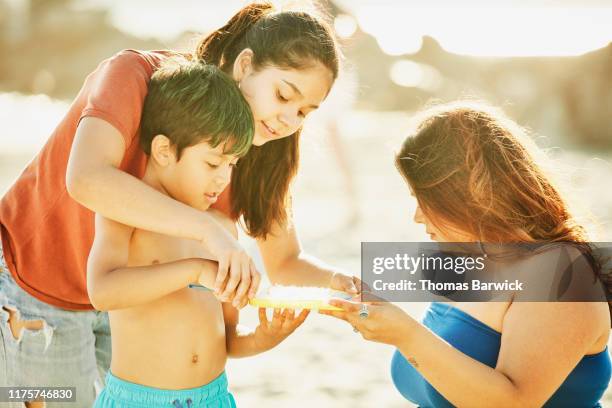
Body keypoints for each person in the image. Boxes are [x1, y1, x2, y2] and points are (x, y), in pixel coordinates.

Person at [0, 3, 357, 407]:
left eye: (305, 112)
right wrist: (206, 231)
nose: (289, 120)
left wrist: (341, 286)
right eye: (283, 95)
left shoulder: (258, 152)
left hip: (136, 308)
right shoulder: (137, 77)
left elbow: (285, 261)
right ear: (244, 65)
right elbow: (86, 179)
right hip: (36, 287)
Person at [321, 101, 612, 407]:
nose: (417, 217)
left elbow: (514, 402)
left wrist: (405, 334)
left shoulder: (563, 272)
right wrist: (385, 318)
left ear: (468, 194)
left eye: (426, 200)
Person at [89, 58, 308, 408]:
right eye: (212, 163)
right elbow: (102, 291)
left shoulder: (222, 228)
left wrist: (265, 338)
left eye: (232, 164)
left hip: (213, 398)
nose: (223, 179)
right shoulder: (123, 214)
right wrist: (195, 270)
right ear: (163, 150)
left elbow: (229, 340)